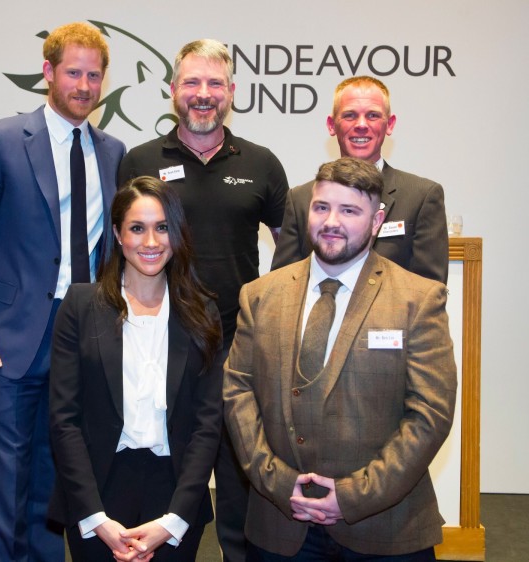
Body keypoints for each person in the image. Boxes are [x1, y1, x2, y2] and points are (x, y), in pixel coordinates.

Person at [0, 22, 125, 561]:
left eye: (94, 76)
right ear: (48, 73)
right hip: (12, 333)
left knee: (60, 466)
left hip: (84, 330)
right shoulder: (0, 140)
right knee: (9, 469)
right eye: (73, 72)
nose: (84, 85)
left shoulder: (114, 151)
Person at [224, 157, 457, 561]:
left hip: (385, 528)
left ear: (377, 219)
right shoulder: (260, 295)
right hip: (280, 526)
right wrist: (279, 483)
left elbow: (430, 415)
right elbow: (237, 392)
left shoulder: (418, 300)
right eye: (321, 207)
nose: (332, 221)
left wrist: (352, 496)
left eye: (349, 210)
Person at [118, 39, 289, 562]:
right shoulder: (141, 160)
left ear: (232, 92)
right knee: (174, 485)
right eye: (192, 82)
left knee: (240, 487)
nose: (203, 94)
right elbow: (121, 245)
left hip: (240, 348)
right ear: (173, 91)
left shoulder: (261, 164)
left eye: (215, 83)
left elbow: (291, 253)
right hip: (164, 346)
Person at [49, 177, 223, 562]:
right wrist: (97, 519)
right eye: (137, 228)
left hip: (176, 494)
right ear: (117, 233)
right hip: (98, 492)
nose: (151, 242)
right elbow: (64, 420)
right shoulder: (79, 306)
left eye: (163, 227)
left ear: (177, 234)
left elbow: (208, 423)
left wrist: (175, 519)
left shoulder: (203, 312)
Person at [271, 76, 448, 284]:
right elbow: (281, 286)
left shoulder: (421, 197)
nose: (361, 125)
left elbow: (429, 291)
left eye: (373, 115)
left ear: (389, 125)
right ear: (331, 125)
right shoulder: (300, 199)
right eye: (350, 115)